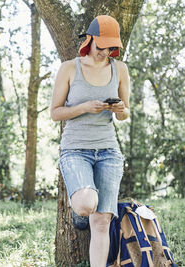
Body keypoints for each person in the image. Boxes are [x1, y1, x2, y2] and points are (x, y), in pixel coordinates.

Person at [50, 15, 130, 267]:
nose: (105, 52)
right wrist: (85, 107)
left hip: (108, 151)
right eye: (100, 46)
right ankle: (80, 214)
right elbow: (55, 113)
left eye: (110, 48)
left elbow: (125, 113)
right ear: (90, 40)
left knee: (102, 220)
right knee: (87, 205)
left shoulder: (120, 69)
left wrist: (119, 109)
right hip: (75, 150)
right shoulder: (69, 68)